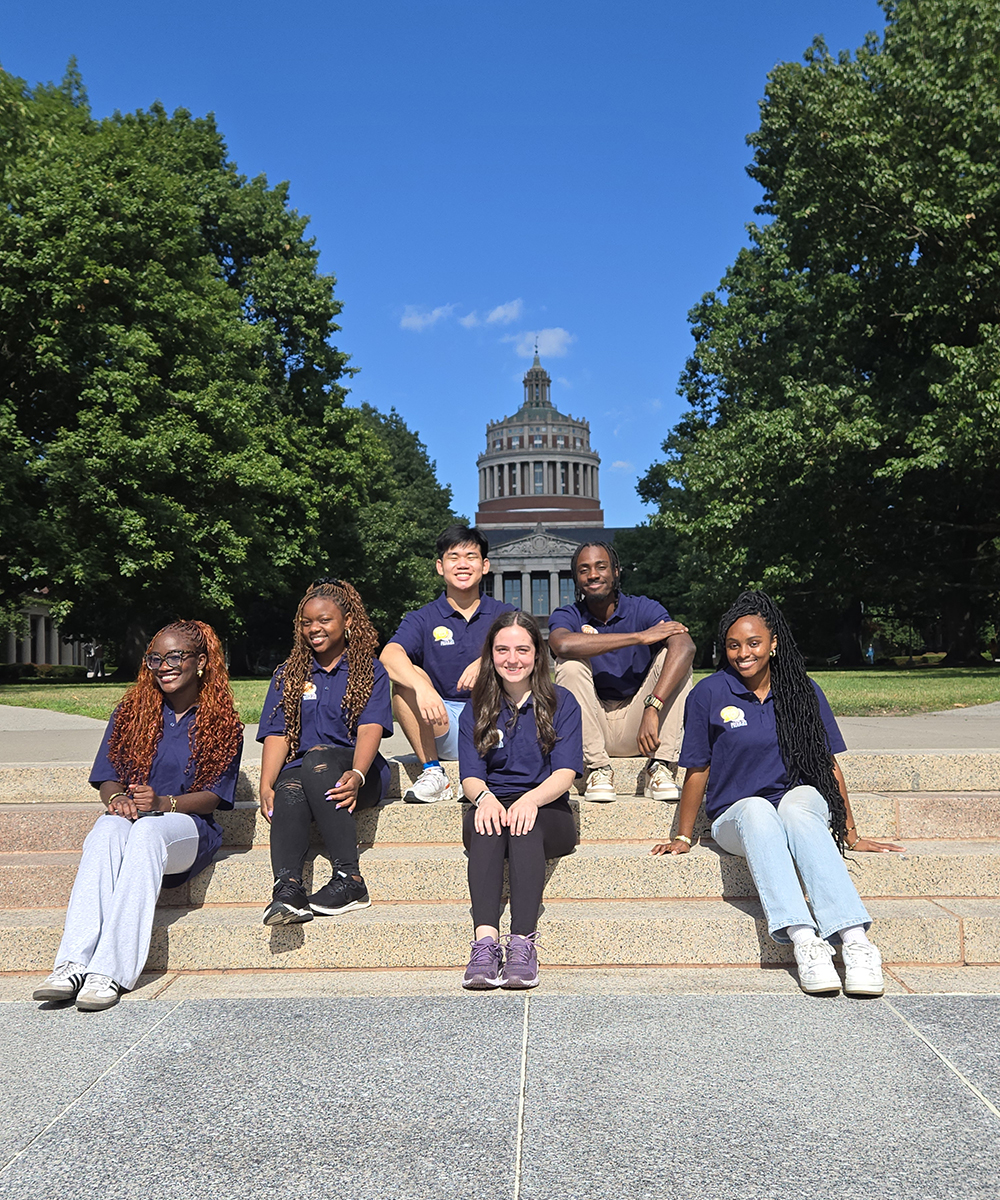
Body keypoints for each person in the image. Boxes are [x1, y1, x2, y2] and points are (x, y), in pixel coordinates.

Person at [651, 590, 903, 996]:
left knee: (798, 807)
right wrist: (682, 834)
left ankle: (856, 942)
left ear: (773, 644)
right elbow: (697, 768)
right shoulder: (708, 694)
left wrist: (851, 832)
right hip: (738, 817)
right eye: (734, 645)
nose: (743, 653)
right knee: (757, 811)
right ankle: (806, 942)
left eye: (753, 643)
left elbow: (828, 765)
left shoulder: (803, 690)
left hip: (794, 805)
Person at [33, 621, 244, 1011]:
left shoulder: (223, 722)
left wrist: (164, 803)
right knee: (106, 828)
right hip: (133, 822)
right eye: (156, 658)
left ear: (199, 661)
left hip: (187, 829)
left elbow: (214, 796)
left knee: (147, 834)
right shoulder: (131, 712)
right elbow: (107, 778)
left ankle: (110, 972)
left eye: (175, 656)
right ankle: (72, 963)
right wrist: (118, 801)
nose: (164, 665)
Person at [458, 611, 582, 989]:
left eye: (522, 649)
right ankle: (484, 945)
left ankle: (522, 944)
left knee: (524, 825)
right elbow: (470, 777)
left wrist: (530, 799)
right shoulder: (476, 707)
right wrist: (485, 798)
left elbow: (564, 774)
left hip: (549, 807)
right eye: (502, 650)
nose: (512, 659)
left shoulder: (562, 702)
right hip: (494, 801)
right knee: (490, 824)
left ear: (537, 654)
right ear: (490, 655)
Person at [257, 578, 392, 924]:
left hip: (360, 773)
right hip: (305, 772)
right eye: (306, 622)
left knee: (317, 761)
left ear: (347, 622)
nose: (313, 629)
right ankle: (288, 891)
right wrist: (265, 784)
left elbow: (370, 728)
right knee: (289, 787)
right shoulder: (288, 674)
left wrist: (359, 773)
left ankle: (350, 879)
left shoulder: (370, 670)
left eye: (324, 620)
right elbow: (278, 733)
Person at [548, 541, 695, 803]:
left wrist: (653, 706)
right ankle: (598, 770)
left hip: (641, 726)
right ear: (576, 579)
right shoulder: (568, 615)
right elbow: (561, 644)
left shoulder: (644, 607)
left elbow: (685, 647)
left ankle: (660, 767)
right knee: (569, 664)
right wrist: (638, 637)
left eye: (601, 566)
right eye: (584, 569)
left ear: (616, 571)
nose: (593, 574)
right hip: (591, 728)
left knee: (674, 658)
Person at [380, 524, 514, 803]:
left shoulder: (505, 614)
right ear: (440, 567)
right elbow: (389, 656)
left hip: (494, 721)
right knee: (407, 678)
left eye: (471, 557)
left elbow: (530, 655)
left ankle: (488, 774)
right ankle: (433, 773)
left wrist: (487, 660)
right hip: (444, 722)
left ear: (485, 565)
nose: (462, 564)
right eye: (454, 557)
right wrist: (422, 687)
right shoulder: (423, 617)